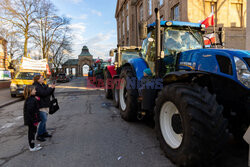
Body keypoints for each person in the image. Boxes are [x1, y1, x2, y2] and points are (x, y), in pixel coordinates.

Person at [33, 75, 55, 142]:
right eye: (41, 78)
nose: (43, 79)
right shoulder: (36, 86)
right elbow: (44, 93)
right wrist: (50, 88)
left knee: (44, 120)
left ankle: (44, 132)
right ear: (38, 80)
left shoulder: (43, 84)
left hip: (46, 104)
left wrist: (52, 88)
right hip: (41, 105)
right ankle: (39, 135)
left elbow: (48, 92)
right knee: (43, 120)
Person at [23, 85, 42, 151]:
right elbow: (30, 112)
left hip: (33, 120)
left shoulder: (32, 98)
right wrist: (34, 121)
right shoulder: (31, 100)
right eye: (34, 90)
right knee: (32, 133)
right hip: (32, 120)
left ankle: (33, 144)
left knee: (33, 132)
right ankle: (32, 147)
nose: (35, 91)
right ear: (30, 91)